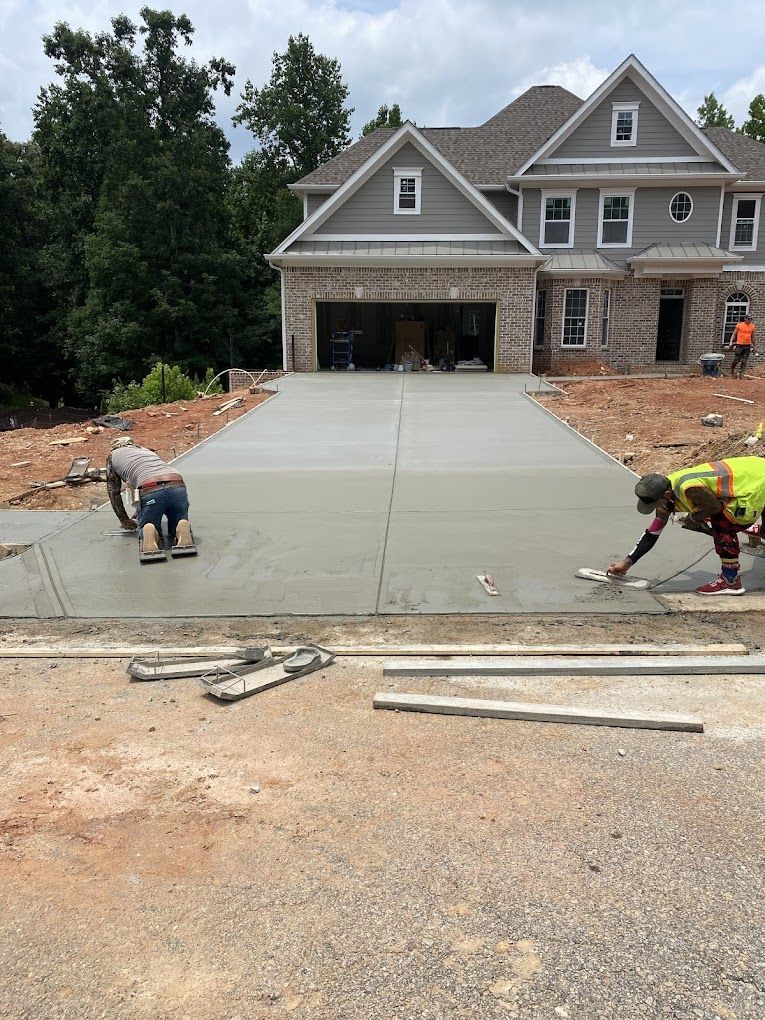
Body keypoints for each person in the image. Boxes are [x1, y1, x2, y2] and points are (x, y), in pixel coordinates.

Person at [607, 457, 765, 596]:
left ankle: (730, 581)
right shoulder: (665, 487)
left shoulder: (688, 489)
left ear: (667, 494)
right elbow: (652, 533)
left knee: (723, 524)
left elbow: (714, 508)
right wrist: (627, 563)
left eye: (656, 503)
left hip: (756, 479)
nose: (657, 508)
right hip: (753, 469)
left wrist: (693, 518)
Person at [106, 437, 194, 554]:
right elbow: (153, 472)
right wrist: (139, 510)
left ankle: (150, 533)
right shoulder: (145, 451)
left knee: (149, 525)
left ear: (113, 447)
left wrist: (124, 519)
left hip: (149, 489)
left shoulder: (112, 457)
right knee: (177, 520)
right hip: (177, 484)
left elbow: (113, 491)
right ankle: (181, 528)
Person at [727, 314, 756, 378]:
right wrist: (731, 342)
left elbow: (753, 337)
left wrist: (754, 346)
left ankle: (741, 373)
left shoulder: (752, 327)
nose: (750, 320)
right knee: (737, 359)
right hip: (739, 345)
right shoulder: (739, 325)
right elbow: (734, 334)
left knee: (744, 360)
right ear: (745, 318)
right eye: (749, 319)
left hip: (747, 345)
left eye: (751, 319)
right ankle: (732, 370)